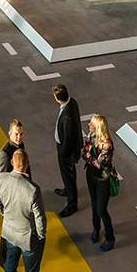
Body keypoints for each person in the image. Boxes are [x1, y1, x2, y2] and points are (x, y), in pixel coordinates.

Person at [0, 150, 46, 272]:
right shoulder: (33, 189)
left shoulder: (1, 178)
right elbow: (40, 217)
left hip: (9, 233)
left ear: (11, 162)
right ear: (27, 164)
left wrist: (6, 215)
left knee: (10, 264)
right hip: (28, 238)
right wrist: (41, 235)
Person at [0, 119, 30, 270]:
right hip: (11, 199)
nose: (19, 137)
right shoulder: (4, 154)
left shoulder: (20, 146)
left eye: (21, 134)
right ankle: (3, 259)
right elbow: (3, 180)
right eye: (16, 134)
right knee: (7, 232)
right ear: (9, 133)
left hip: (21, 194)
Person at [82, 115, 116, 252]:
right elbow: (83, 154)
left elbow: (100, 164)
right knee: (94, 205)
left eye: (91, 124)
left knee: (101, 209)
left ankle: (110, 238)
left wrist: (89, 157)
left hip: (102, 180)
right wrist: (90, 157)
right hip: (91, 176)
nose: (88, 125)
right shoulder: (91, 136)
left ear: (98, 127)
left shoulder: (107, 145)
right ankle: (96, 229)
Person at [52, 83, 81, 217]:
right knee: (68, 174)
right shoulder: (72, 102)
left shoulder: (67, 117)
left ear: (57, 98)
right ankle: (67, 190)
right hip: (67, 147)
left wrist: (62, 153)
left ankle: (72, 204)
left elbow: (68, 140)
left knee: (68, 175)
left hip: (66, 150)